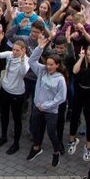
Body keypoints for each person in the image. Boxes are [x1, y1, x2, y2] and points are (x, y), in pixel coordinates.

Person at [26, 32, 67, 167]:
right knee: (35, 129)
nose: (48, 67)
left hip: (51, 111)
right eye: (47, 64)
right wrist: (39, 48)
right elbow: (31, 61)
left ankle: (56, 152)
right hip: (38, 107)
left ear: (57, 65)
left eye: (51, 65)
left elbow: (61, 97)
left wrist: (48, 105)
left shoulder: (60, 79)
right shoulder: (42, 71)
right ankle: (37, 147)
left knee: (51, 133)